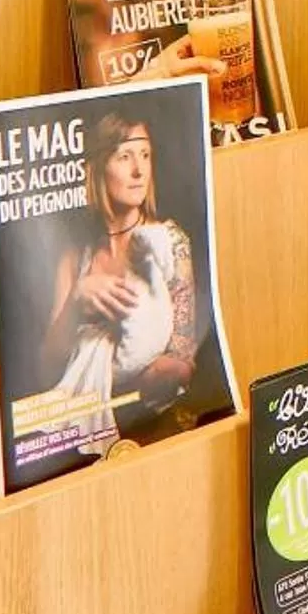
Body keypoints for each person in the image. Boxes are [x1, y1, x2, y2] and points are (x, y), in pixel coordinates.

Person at [37, 105, 204, 451]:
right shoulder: (76, 257)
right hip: (83, 443)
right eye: (124, 155)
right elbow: (47, 370)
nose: (139, 170)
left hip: (155, 430)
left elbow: (183, 358)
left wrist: (127, 382)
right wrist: (76, 303)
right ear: (98, 168)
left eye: (145, 154)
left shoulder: (171, 242)